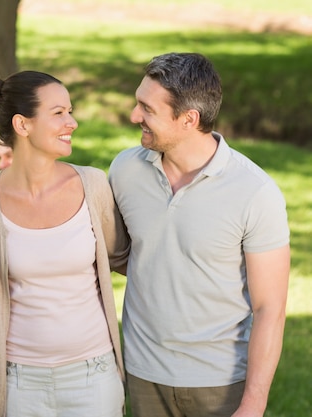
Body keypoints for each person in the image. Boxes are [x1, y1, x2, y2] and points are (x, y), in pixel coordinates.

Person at [108, 52, 290, 417]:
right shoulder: (125, 170)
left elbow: (270, 308)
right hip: (143, 374)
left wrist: (253, 404)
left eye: (147, 108)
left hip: (221, 384)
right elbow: (127, 255)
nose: (134, 116)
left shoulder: (254, 191)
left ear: (189, 119)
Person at [0, 70, 129, 417]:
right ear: (23, 125)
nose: (72, 122)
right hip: (20, 382)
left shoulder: (93, 186)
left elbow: (128, 261)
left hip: (94, 377)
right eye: (59, 113)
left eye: (70, 111)